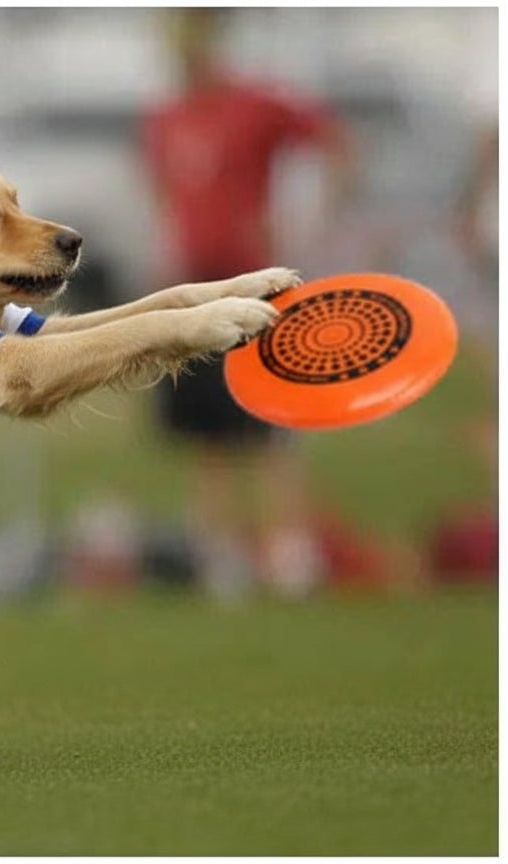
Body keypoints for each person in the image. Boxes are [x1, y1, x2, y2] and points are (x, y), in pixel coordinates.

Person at [138, 8, 356, 597]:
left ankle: (290, 555)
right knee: (206, 433)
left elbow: (334, 145)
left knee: (271, 425)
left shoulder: (258, 104)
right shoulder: (165, 117)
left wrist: (312, 227)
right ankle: (219, 557)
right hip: (193, 289)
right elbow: (162, 191)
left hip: (254, 281)